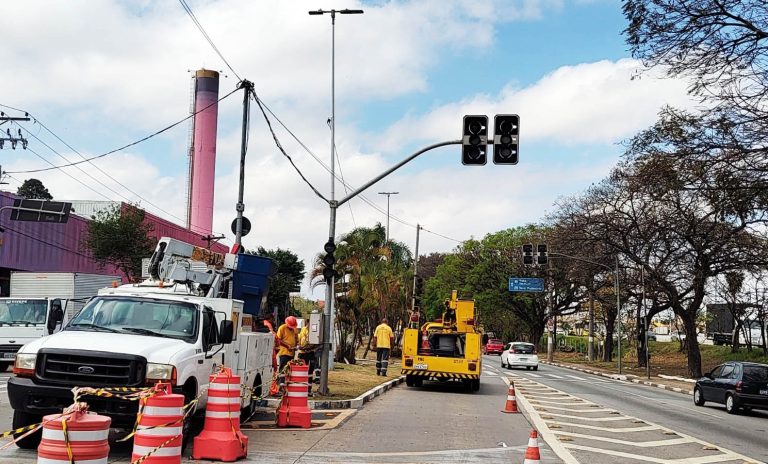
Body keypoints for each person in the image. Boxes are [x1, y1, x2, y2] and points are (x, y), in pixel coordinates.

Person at [297, 323, 319, 394]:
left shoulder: (312, 331)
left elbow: (313, 343)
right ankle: (302, 387)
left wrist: (306, 348)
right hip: (303, 353)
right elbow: (301, 340)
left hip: (309, 353)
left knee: (310, 372)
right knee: (302, 371)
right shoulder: (304, 330)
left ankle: (308, 388)